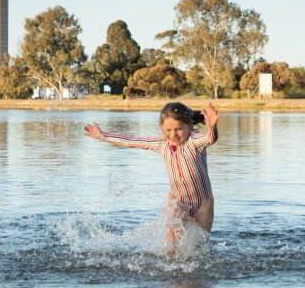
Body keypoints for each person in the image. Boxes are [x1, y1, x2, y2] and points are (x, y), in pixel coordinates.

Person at [83, 102, 220, 246]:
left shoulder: (194, 141)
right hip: (178, 200)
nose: (173, 134)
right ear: (161, 128)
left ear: (189, 126)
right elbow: (132, 141)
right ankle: (168, 263)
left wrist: (212, 127)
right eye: (168, 130)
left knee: (200, 246)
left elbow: (210, 139)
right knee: (172, 237)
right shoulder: (161, 144)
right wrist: (103, 136)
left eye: (178, 129)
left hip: (203, 203)